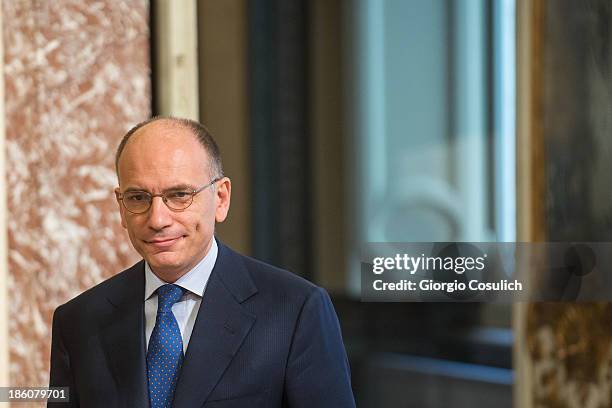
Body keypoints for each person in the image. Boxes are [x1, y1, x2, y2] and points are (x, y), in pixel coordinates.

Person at [48, 117, 356, 407]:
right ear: (121, 206)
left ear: (221, 198)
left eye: (179, 195)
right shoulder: (78, 322)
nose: (157, 219)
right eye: (138, 198)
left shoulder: (295, 311)